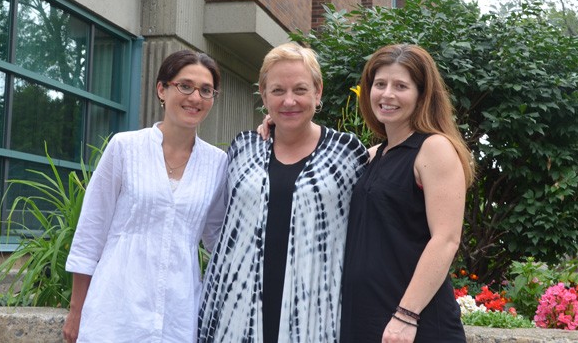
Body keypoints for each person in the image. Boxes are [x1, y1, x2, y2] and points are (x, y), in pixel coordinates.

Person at [198, 42, 368, 343]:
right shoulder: (244, 148)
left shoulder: (347, 153)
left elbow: (384, 180)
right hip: (237, 308)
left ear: (318, 92)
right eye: (277, 91)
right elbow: (222, 227)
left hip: (316, 308)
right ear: (264, 96)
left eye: (300, 90)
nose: (289, 101)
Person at [62, 50, 228, 343]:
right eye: (185, 86)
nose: (195, 98)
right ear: (162, 89)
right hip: (115, 310)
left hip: (179, 313)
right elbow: (91, 231)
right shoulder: (125, 148)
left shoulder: (218, 164)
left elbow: (219, 240)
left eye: (206, 90)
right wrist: (76, 310)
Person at [339, 44, 476, 343]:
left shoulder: (434, 148)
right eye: (380, 84)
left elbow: (446, 239)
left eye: (401, 86)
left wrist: (406, 315)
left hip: (413, 325)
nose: (387, 94)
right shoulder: (372, 155)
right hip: (364, 318)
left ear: (421, 95)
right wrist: (278, 128)